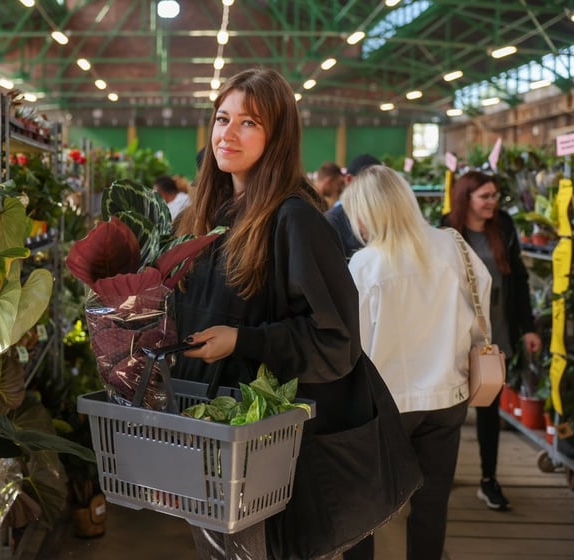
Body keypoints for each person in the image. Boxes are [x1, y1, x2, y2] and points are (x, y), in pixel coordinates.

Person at [172, 67, 419, 560]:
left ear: (278, 135)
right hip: (216, 436)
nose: (228, 133)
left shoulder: (295, 219)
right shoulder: (210, 216)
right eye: (223, 119)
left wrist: (243, 341)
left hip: (278, 455)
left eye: (250, 123)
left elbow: (336, 341)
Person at [342, 165, 493, 560]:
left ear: (370, 211)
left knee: (364, 504)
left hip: (385, 404)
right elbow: (482, 307)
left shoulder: (365, 264)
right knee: (432, 503)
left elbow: (351, 343)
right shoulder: (453, 246)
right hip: (448, 395)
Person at [442, 170, 542, 511]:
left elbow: (519, 278)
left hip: (494, 330)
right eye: (484, 196)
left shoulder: (505, 227)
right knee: (449, 409)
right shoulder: (446, 229)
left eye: (495, 196)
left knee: (488, 405)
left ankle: (489, 479)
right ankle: (441, 475)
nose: (492, 203)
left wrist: (527, 327)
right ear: (466, 197)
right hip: (454, 331)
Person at [325, 153, 381, 260]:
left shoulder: (385, 215)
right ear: (349, 180)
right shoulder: (333, 220)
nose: (376, 189)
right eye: (367, 182)